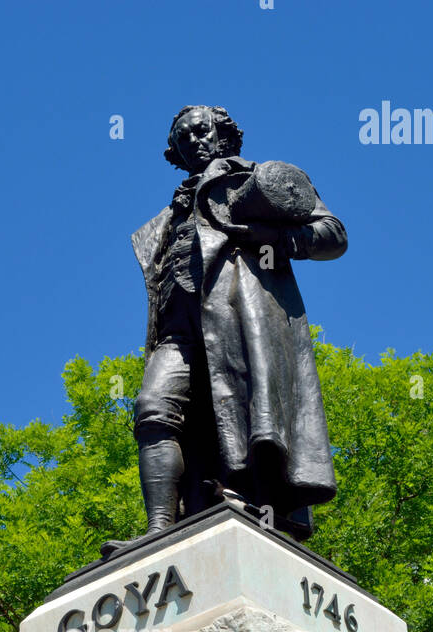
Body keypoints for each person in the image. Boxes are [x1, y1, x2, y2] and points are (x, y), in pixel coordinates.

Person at [106, 104, 347, 555]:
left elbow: (333, 235)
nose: (193, 141)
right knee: (152, 409)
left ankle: (258, 505)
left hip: (237, 318)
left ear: (223, 135)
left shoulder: (256, 180)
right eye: (182, 139)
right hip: (176, 328)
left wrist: (271, 239)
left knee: (244, 413)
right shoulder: (166, 217)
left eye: (200, 131)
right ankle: (160, 529)